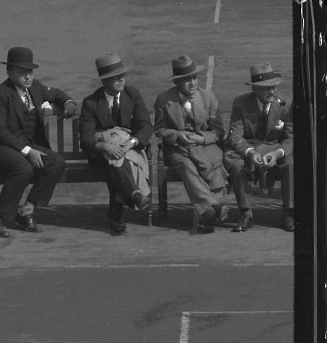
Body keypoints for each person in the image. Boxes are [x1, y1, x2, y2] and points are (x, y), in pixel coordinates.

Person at [0, 46, 77, 237]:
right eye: (22, 72)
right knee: (24, 168)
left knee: (56, 162)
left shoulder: (34, 88)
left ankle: (26, 210)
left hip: (19, 147)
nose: (27, 76)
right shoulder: (0, 94)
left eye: (29, 72)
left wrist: (68, 102)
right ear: (9, 72)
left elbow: (54, 93)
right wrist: (27, 150)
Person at [78, 53, 153, 235]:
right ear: (104, 81)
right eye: (115, 77)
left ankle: (118, 214)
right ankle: (134, 195)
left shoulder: (132, 94)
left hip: (130, 148)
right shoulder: (91, 102)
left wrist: (131, 143)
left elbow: (145, 126)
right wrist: (105, 146)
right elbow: (86, 138)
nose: (121, 79)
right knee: (114, 160)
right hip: (103, 152)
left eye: (123, 75)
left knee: (119, 163)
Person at [153, 54, 228, 233]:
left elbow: (218, 131)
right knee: (186, 166)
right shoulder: (164, 99)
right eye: (187, 80)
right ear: (177, 82)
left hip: (205, 147)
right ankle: (214, 206)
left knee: (213, 165)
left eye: (194, 78)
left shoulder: (208, 97)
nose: (192, 83)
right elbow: (159, 130)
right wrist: (177, 135)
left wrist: (201, 138)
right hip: (178, 149)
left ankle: (207, 211)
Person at [224, 63, 294, 233]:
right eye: (266, 88)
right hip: (250, 148)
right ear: (254, 89)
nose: (271, 91)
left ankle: (289, 213)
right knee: (236, 164)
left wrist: (278, 153)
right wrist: (250, 153)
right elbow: (235, 136)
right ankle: (246, 214)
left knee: (292, 162)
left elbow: (292, 137)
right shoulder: (241, 103)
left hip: (275, 148)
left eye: (274, 87)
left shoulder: (286, 104)